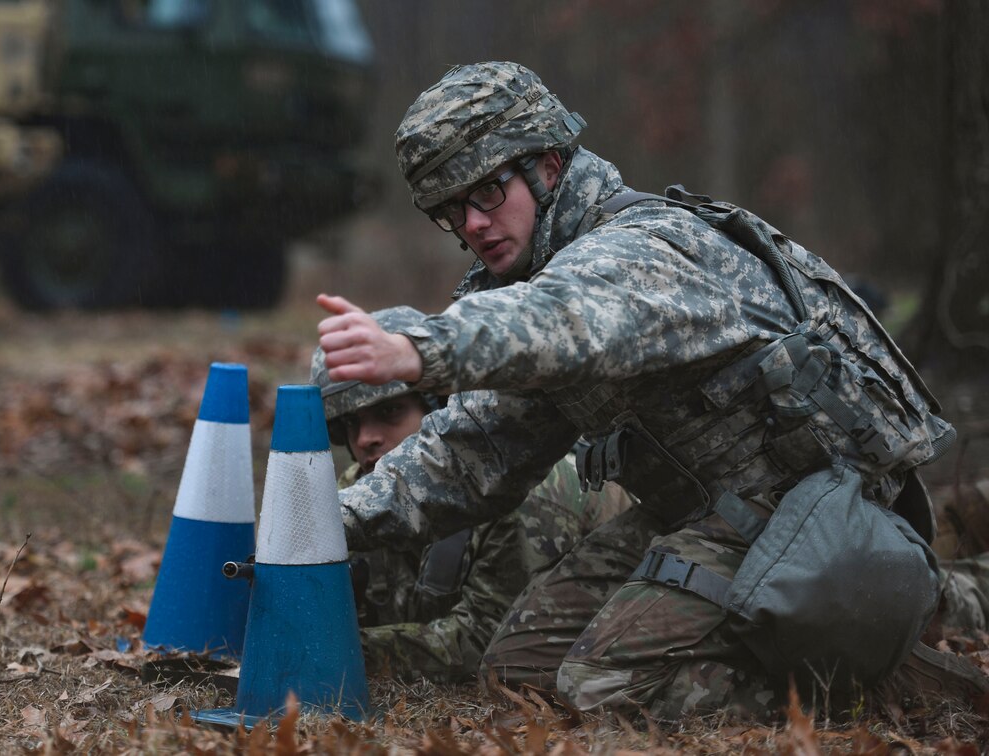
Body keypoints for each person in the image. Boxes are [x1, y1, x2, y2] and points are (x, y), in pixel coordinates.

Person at [315, 61, 987, 720]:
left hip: (806, 518)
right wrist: (315, 524)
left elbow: (559, 320)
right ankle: (889, 615)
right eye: (452, 210)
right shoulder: (538, 277)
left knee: (601, 685)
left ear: (548, 167)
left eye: (488, 192)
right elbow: (466, 457)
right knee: (522, 671)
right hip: (701, 518)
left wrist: (418, 350)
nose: (474, 224)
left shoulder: (643, 251)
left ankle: (861, 675)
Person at [310, 305, 631, 683]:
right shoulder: (357, 489)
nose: (365, 438)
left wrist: (335, 652)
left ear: (441, 410)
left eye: (391, 411)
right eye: (350, 424)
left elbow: (486, 643)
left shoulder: (525, 489)